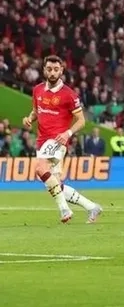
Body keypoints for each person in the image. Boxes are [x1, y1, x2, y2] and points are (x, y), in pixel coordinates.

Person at [22, 55, 103, 223]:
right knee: (55, 184)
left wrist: (68, 133)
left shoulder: (69, 95)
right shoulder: (37, 90)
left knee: (40, 169)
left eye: (56, 69)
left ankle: (64, 209)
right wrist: (29, 119)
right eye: (49, 69)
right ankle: (92, 207)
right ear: (44, 70)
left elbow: (81, 121)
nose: (52, 73)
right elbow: (37, 111)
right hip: (42, 140)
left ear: (61, 71)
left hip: (58, 139)